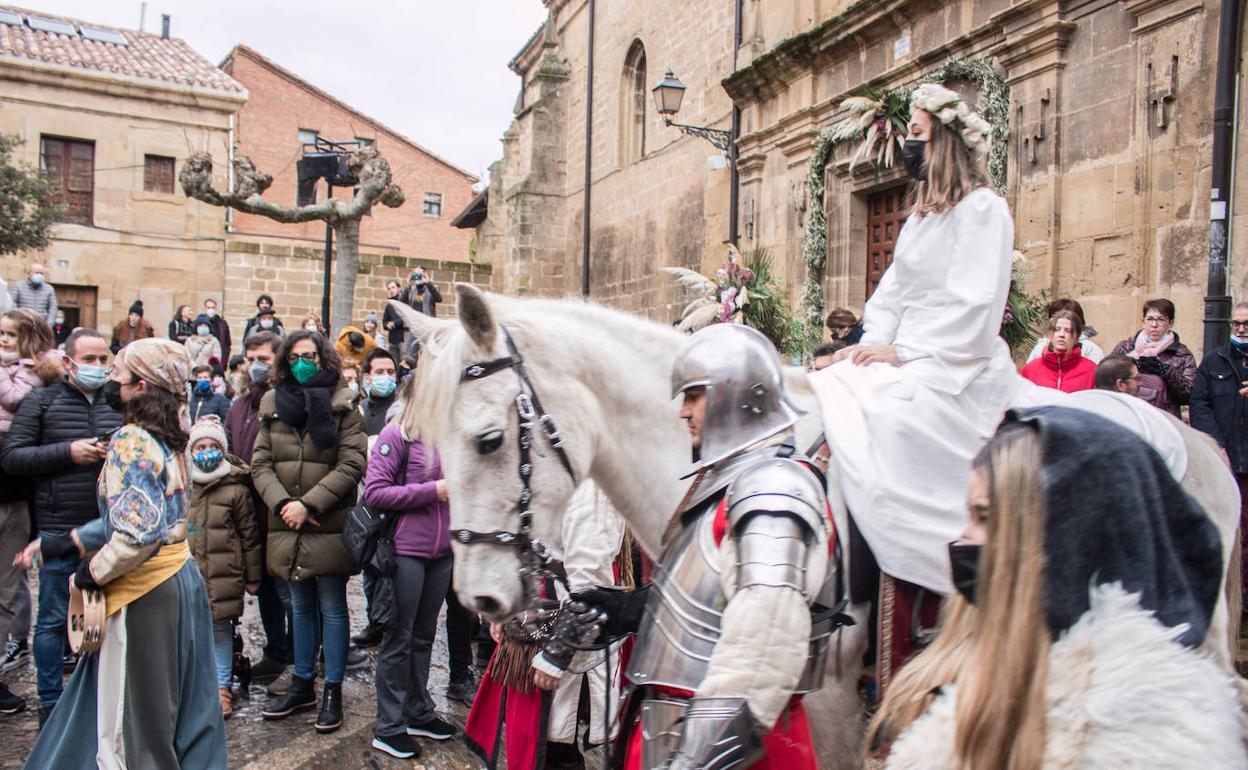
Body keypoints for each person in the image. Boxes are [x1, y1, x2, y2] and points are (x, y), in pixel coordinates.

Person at [870, 407, 1244, 769]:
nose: (962, 536)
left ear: (1066, 536)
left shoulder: (1144, 742)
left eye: (983, 516)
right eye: (968, 515)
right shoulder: (984, 676)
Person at [808, 83, 1024, 687]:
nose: (908, 143)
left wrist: (904, 353)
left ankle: (929, 576)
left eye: (919, 133)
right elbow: (891, 295)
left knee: (896, 421)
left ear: (946, 141)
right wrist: (859, 351)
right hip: (904, 352)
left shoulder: (985, 210)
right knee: (834, 390)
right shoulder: (918, 220)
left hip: (957, 361)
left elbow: (977, 304)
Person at [564, 324, 842, 770]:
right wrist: (628, 609)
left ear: (738, 396)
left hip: (731, 749)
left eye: (694, 396)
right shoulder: (730, 485)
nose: (682, 412)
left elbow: (763, 654)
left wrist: (693, 759)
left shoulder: (772, 489)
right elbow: (716, 600)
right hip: (673, 724)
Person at [20, 338, 228, 769]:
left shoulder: (131, 441)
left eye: (120, 373)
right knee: (182, 703)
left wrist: (89, 574)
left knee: (133, 718)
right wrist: (67, 543)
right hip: (179, 579)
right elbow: (148, 515)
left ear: (141, 386)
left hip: (143, 591)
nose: (112, 380)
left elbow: (136, 533)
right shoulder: (171, 437)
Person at [0, 328, 120, 723]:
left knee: (106, 618)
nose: (99, 367)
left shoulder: (117, 403)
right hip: (56, 526)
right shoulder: (41, 401)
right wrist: (67, 453)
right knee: (54, 620)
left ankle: (100, 699)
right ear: (68, 362)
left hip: (106, 529)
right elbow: (13, 457)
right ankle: (51, 701)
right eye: (90, 360)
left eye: (104, 359)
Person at [252, 330, 367, 733]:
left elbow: (352, 464)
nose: (304, 362)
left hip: (327, 522)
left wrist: (309, 503)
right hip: (286, 522)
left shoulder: (344, 404)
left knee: (332, 606)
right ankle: (302, 682)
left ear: (324, 360)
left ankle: (332, 687)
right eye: (297, 356)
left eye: (311, 355)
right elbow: (260, 463)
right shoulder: (272, 404)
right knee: (298, 605)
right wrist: (284, 504)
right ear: (286, 361)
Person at [464, 483, 625, 770]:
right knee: (528, 741)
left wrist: (557, 656)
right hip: (527, 627)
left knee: (553, 749)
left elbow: (591, 588)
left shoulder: (595, 488)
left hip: (561, 637)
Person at [365, 387, 457, 758]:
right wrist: (431, 491)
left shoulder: (452, 435)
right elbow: (376, 492)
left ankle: (418, 710)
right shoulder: (396, 434)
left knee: (423, 635)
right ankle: (388, 726)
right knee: (398, 638)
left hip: (442, 552)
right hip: (405, 552)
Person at [0, 309, 61, 713]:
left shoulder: (36, 377)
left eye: (10, 334)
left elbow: (15, 400)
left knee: (7, 588)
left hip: (14, 495)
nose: (3, 339)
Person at [223, 331, 290, 687]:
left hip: (279, 515)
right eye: (251, 358)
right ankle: (276, 651)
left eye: (264, 358)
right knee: (262, 589)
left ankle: (298, 658)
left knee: (287, 591)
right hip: (249, 519)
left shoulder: (286, 403)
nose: (256, 366)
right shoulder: (239, 406)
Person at [186, 415, 262, 720]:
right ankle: (194, 687)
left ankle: (221, 687)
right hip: (190, 574)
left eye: (213, 445)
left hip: (224, 575)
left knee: (220, 633)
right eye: (200, 446)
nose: (206, 451)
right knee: (190, 633)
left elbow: (249, 537)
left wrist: (252, 577)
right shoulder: (184, 485)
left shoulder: (235, 489)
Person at [1189, 300, 1248, 606]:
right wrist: (1217, 445)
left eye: (1246, 324)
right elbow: (1199, 403)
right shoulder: (1214, 361)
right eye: (1236, 324)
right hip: (1225, 460)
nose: (1240, 329)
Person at [1110, 298, 1197, 416]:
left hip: (1164, 418)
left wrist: (1166, 372)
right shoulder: (1125, 348)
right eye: (1150, 319)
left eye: (1161, 320)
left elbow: (1189, 395)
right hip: (1128, 414)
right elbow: (1107, 380)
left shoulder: (1182, 353)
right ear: (1143, 321)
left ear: (1170, 323)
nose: (1154, 325)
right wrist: (1130, 368)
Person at [1018, 310, 1096, 393]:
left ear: (1077, 337)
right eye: (1057, 329)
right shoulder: (1030, 370)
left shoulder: (1092, 371)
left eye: (1068, 330)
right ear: (1050, 335)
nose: (1061, 334)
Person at [1025, 298, 1105, 364]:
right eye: (1053, 316)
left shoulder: (1090, 349)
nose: (1058, 320)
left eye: (1066, 317)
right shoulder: (1041, 346)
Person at [358, 349, 399, 437]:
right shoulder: (360, 410)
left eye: (390, 372)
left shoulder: (404, 409)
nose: (386, 376)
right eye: (379, 372)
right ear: (367, 378)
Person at [382, 280, 407, 360]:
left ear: (399, 288)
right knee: (393, 363)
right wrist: (387, 325)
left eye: (393, 287)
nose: (391, 290)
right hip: (392, 340)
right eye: (389, 289)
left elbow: (406, 318)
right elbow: (384, 321)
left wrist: (394, 323)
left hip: (404, 339)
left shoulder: (405, 302)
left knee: (405, 364)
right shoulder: (389, 305)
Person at [203, 298, 232, 364]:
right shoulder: (199, 324)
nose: (211, 310)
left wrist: (225, 360)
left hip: (219, 357)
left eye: (213, 307)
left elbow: (227, 343)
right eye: (208, 307)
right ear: (205, 308)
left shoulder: (222, 323)